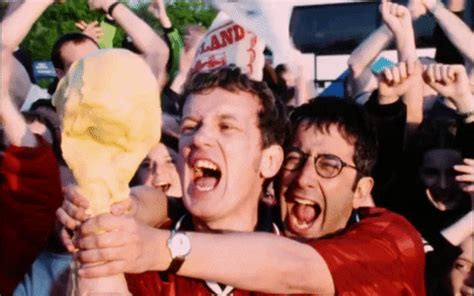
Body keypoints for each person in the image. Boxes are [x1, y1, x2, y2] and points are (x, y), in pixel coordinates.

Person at [63, 93, 425, 294]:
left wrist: (152, 248)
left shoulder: (394, 242)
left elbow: (295, 268)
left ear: (362, 189)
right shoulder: (202, 247)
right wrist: (120, 208)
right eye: (295, 159)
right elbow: (169, 203)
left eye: (328, 165)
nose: (303, 179)